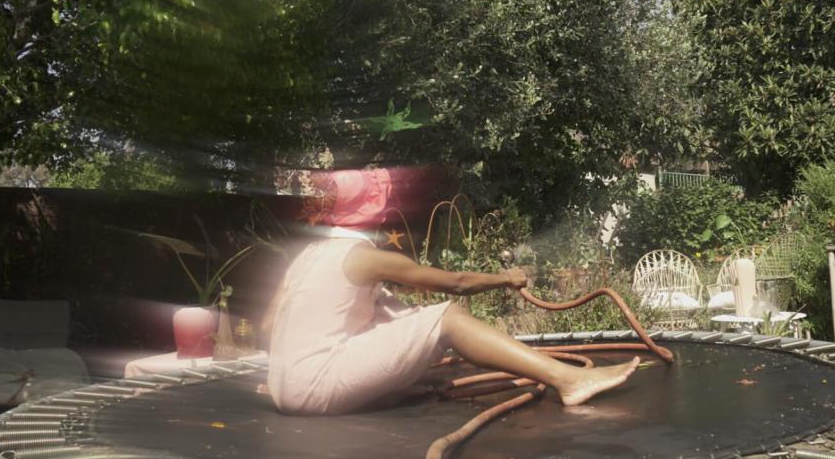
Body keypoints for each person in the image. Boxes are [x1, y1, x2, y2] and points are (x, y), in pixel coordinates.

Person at [265, 170, 639, 416]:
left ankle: (366, 387)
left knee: (391, 310)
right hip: (312, 390)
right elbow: (456, 283)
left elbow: (270, 325)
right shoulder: (362, 256)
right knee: (446, 317)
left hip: (282, 389)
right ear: (376, 211)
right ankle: (570, 380)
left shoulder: (307, 255)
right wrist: (505, 279)